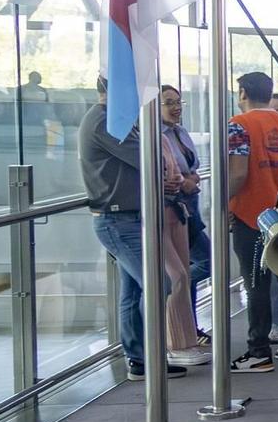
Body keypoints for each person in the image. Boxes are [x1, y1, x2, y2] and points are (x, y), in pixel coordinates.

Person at [80, 77, 184, 380]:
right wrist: (163, 169)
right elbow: (151, 158)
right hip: (117, 219)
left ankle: (140, 358)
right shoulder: (106, 122)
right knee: (158, 283)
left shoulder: (114, 120)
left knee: (134, 290)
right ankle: (145, 356)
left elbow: (155, 160)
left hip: (128, 217)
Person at [226, 71, 278, 370]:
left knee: (256, 283)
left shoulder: (239, 125)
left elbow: (238, 173)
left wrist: (222, 204)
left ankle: (258, 350)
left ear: (243, 93)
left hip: (251, 217)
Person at [156, 85, 207, 360]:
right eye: (169, 103)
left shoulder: (180, 132)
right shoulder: (154, 137)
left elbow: (191, 168)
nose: (176, 107)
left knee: (186, 270)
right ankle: (175, 332)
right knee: (185, 272)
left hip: (187, 209)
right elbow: (166, 174)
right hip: (169, 208)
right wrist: (183, 181)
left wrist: (190, 179)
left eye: (179, 102)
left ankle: (188, 328)